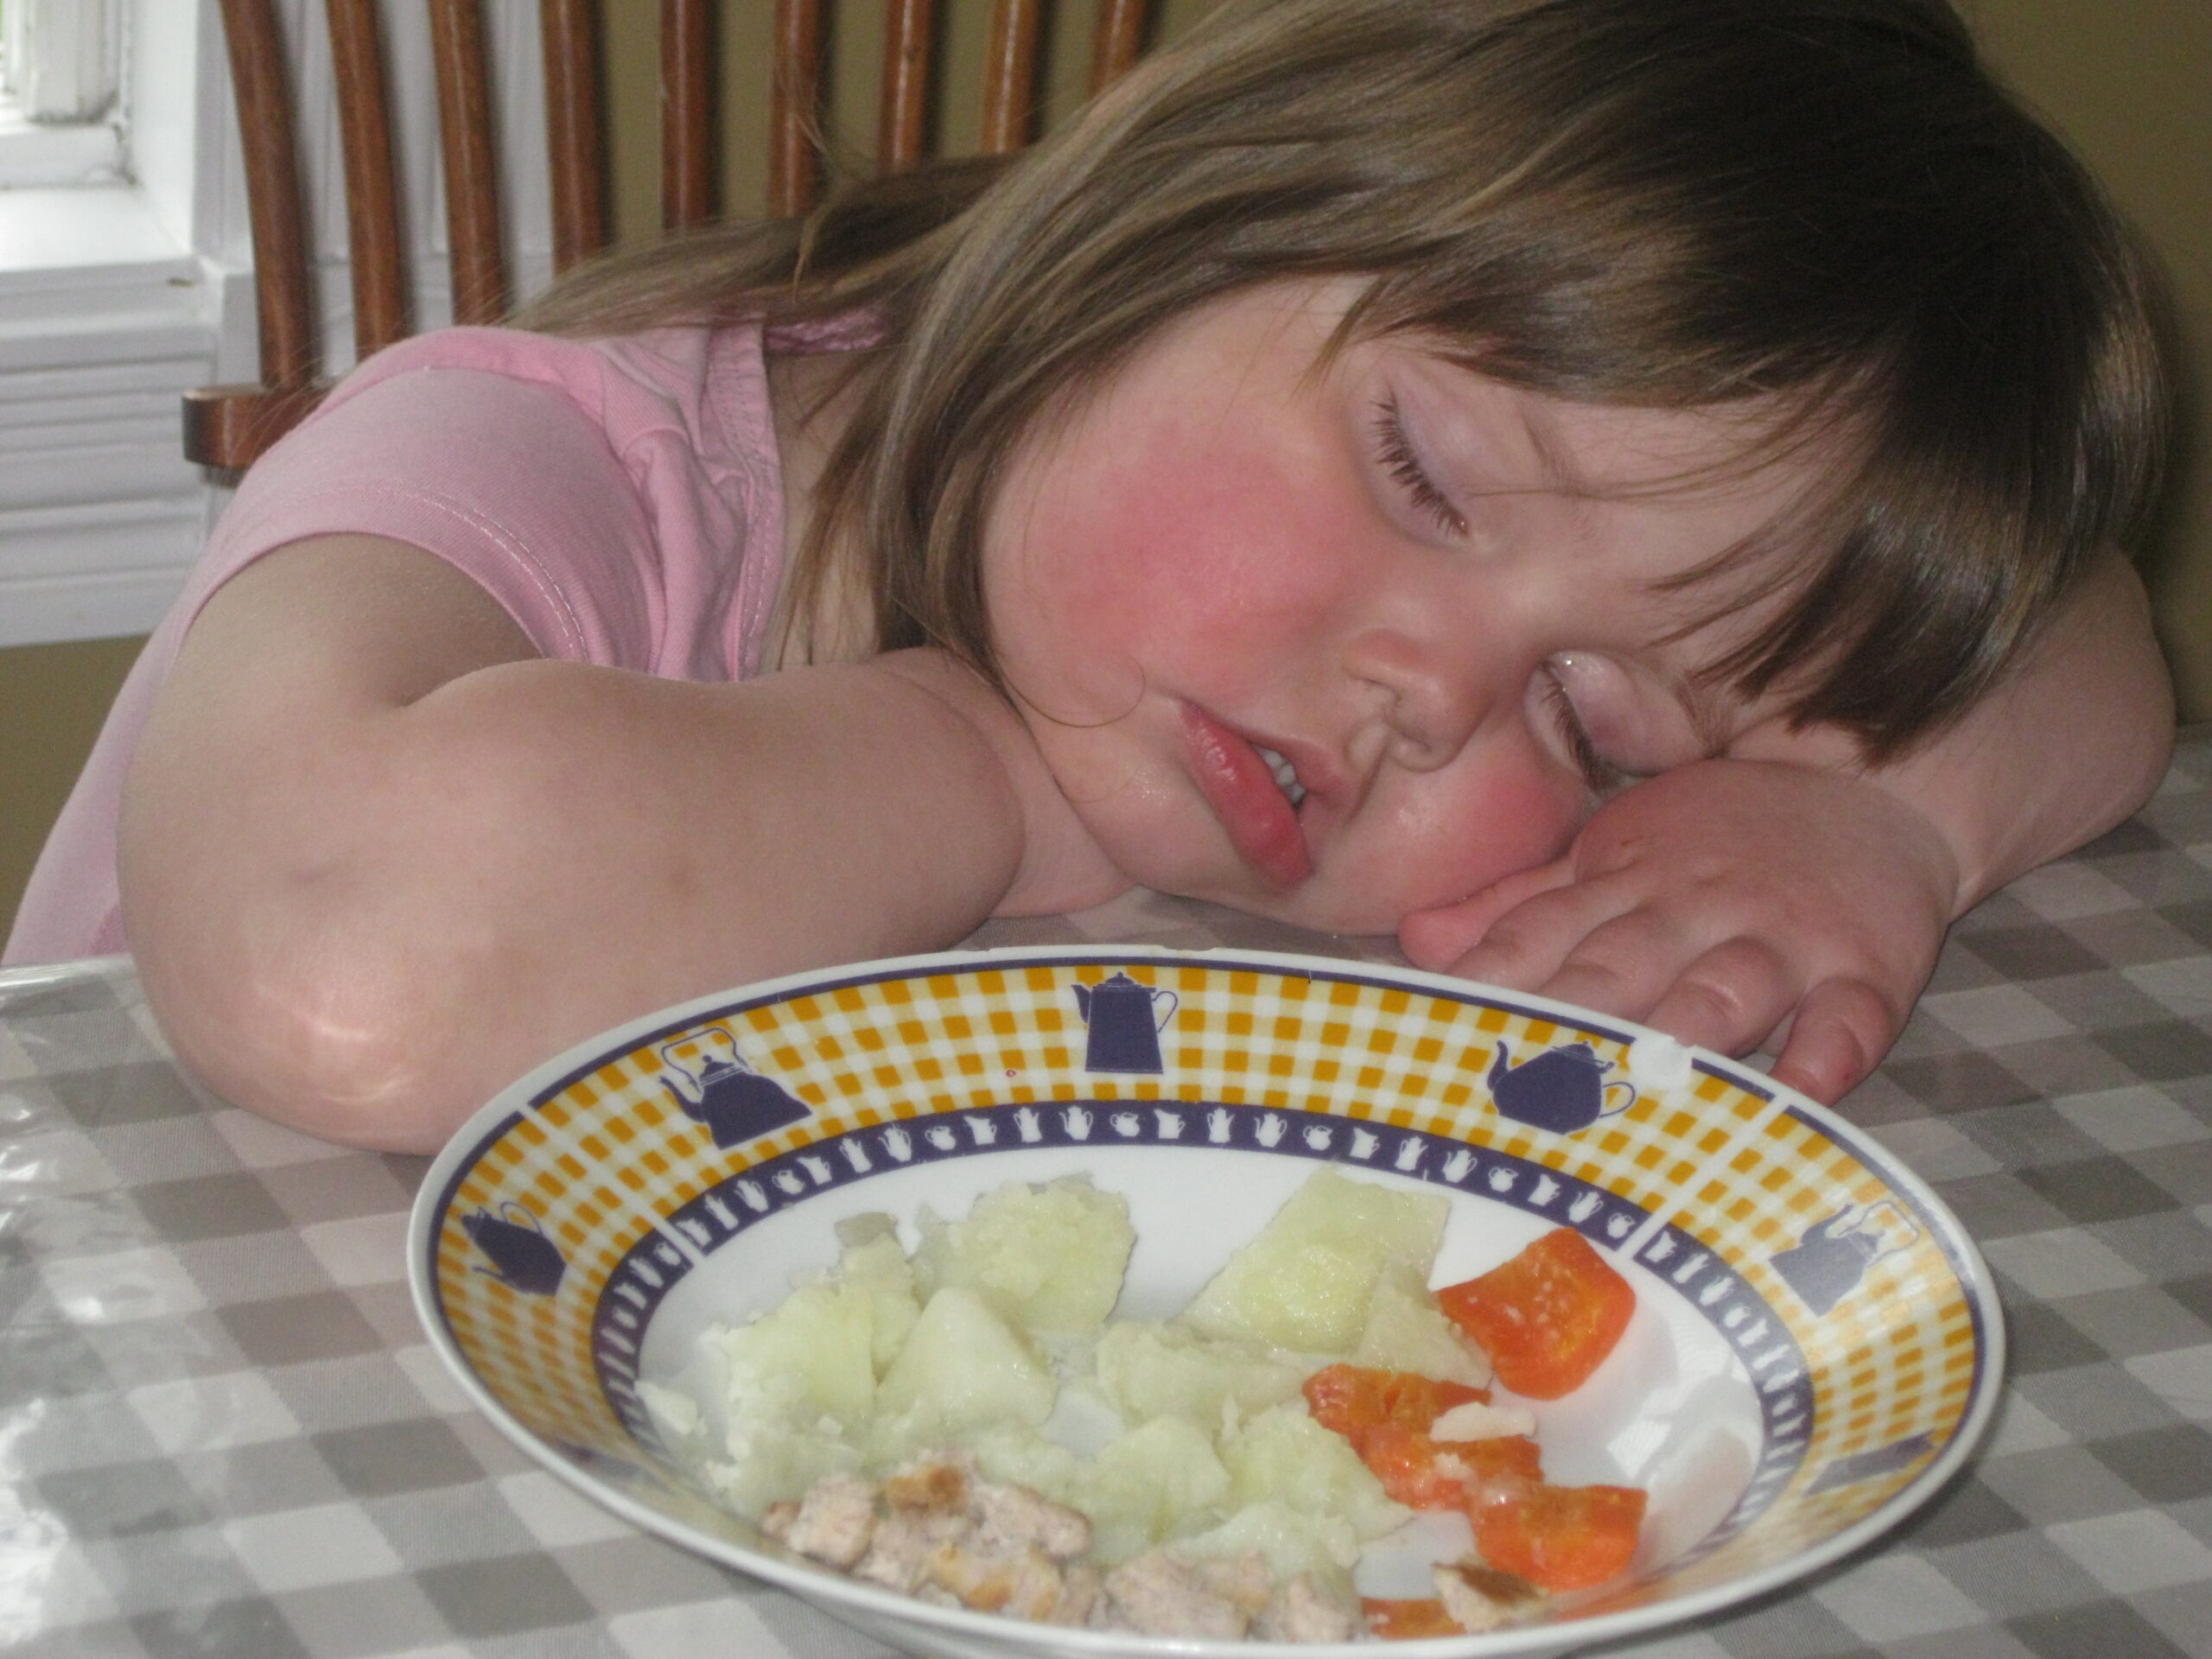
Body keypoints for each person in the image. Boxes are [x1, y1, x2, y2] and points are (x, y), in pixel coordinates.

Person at [4, 0, 2173, 1152]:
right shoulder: (529, 463)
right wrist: (999, 774)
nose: (1429, 693)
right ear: (1199, 210)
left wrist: (1866, 817)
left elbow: (2082, 638)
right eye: (1421, 473)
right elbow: (346, 964)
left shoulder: (1402, 637)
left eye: (1587, 720)